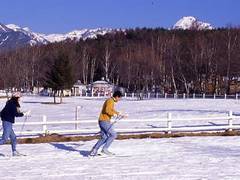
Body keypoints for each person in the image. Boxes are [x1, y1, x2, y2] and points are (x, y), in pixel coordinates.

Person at [89, 90, 126, 156]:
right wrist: (113, 114)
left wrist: (118, 114)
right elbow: (107, 110)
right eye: (120, 98)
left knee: (104, 137)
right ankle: (104, 149)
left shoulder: (110, 101)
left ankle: (94, 150)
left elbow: (111, 110)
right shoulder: (110, 101)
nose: (119, 100)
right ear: (117, 96)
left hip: (102, 120)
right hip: (104, 121)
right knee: (113, 134)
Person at [0, 92, 30, 156]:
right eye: (19, 97)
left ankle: (14, 152)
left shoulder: (11, 103)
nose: (20, 99)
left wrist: (23, 113)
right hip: (7, 122)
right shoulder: (12, 104)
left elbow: (5, 112)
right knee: (4, 139)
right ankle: (14, 151)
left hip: (8, 122)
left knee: (13, 138)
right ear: (16, 98)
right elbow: (16, 114)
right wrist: (24, 114)